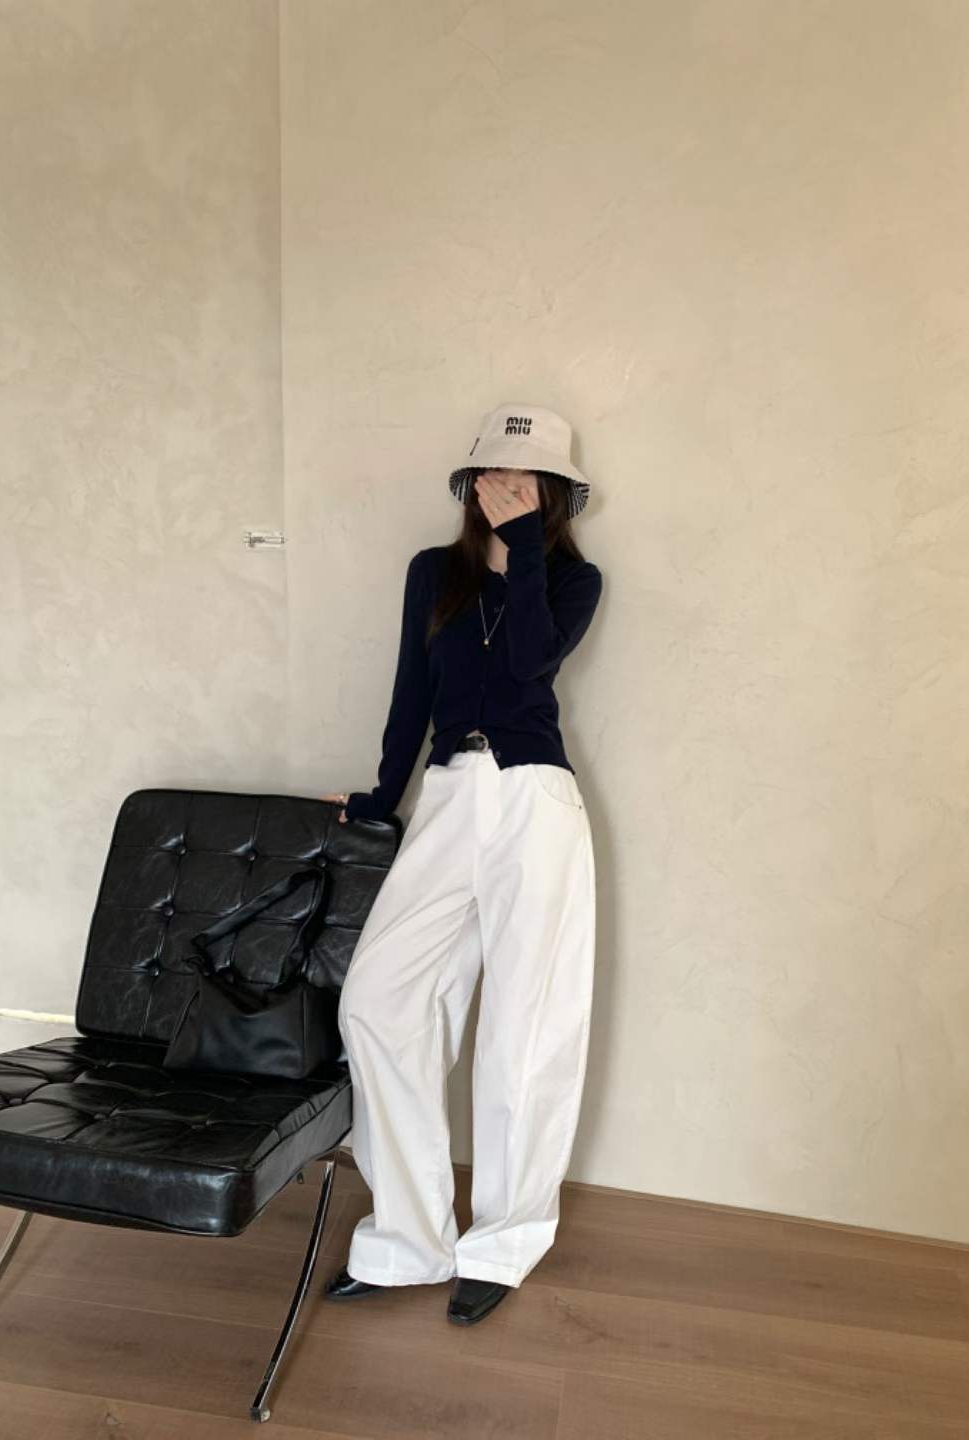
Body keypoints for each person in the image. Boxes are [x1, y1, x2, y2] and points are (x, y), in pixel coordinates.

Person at [318, 403, 603, 1326]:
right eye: (490, 474)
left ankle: (504, 1243)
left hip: (534, 802)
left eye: (523, 479)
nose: (501, 487)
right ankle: (409, 1237)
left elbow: (527, 668)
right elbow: (411, 692)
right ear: (470, 483)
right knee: (379, 1002)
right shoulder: (430, 574)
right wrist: (381, 796)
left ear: (548, 494)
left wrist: (522, 551)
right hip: (447, 798)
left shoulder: (573, 580)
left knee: (526, 1027)